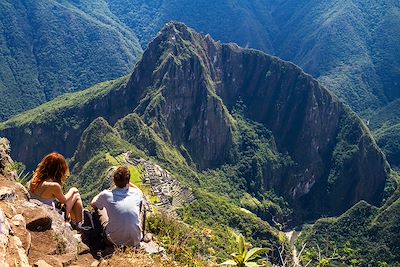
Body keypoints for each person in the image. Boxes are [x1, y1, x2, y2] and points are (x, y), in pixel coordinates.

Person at [91, 166, 144, 247]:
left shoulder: (106, 195)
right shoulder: (136, 193)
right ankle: (141, 232)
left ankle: (98, 233)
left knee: (99, 207)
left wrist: (102, 193)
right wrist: (127, 182)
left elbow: (93, 203)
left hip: (113, 240)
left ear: (114, 180)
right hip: (135, 240)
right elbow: (140, 192)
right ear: (128, 181)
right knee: (142, 205)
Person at [28, 152, 83, 224]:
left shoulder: (35, 179)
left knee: (74, 195)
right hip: (50, 215)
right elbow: (64, 200)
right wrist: (72, 190)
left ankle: (75, 223)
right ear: (60, 169)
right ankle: (79, 225)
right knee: (76, 195)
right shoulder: (54, 186)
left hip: (35, 210)